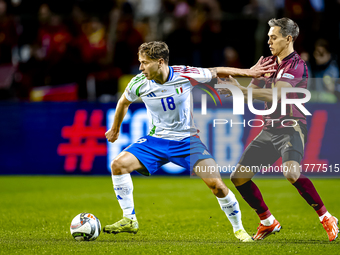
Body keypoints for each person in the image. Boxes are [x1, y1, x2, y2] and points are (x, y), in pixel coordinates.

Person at [103, 41, 275, 242]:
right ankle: (129, 219)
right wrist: (115, 128)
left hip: (187, 141)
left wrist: (250, 72)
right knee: (118, 164)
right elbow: (123, 101)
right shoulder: (139, 82)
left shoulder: (184, 73)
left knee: (217, 185)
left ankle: (239, 230)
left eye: (144, 63)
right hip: (155, 141)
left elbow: (216, 70)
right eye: (140, 63)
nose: (140, 68)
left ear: (160, 62)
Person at [218, 18, 339, 241]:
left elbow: (278, 94)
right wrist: (239, 91)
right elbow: (253, 94)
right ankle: (267, 221)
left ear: (289, 39)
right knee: (239, 177)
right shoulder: (266, 62)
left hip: (292, 127)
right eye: (268, 37)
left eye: (274, 37)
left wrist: (242, 92)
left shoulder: (297, 65)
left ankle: (327, 217)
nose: (269, 41)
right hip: (269, 128)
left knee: (291, 172)